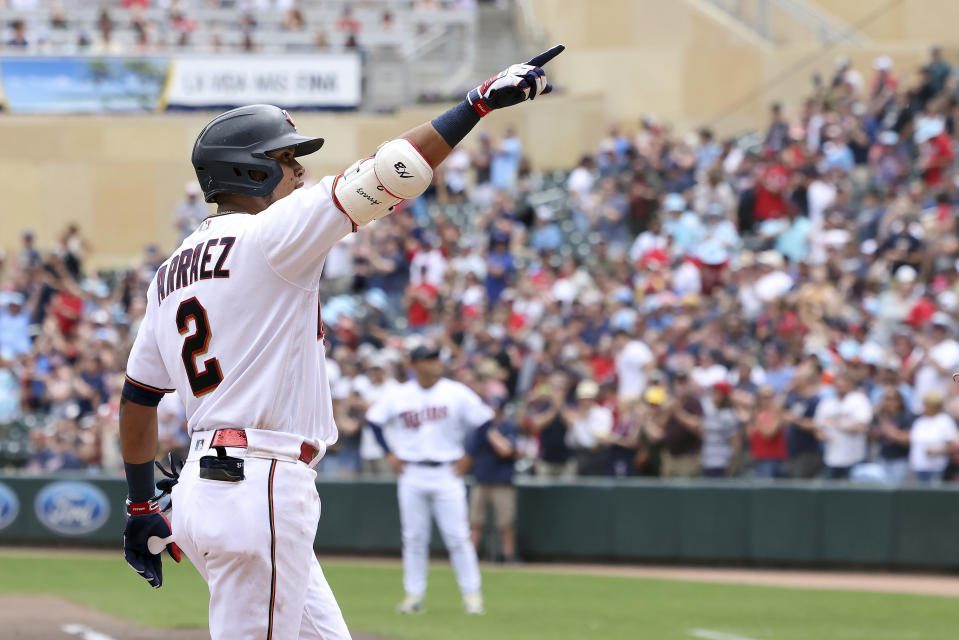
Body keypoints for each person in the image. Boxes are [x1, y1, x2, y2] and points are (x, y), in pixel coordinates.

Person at [118, 45, 564, 638]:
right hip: (261, 480)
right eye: (286, 158)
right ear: (251, 171)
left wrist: (142, 503)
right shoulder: (270, 236)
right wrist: (474, 106)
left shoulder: (168, 274)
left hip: (211, 486)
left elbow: (138, 398)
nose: (299, 171)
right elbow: (385, 174)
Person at [365, 343, 493, 615]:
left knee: (458, 536)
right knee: (413, 538)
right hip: (411, 472)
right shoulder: (399, 395)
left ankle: (472, 596)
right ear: (415, 364)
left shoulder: (455, 392)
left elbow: (484, 421)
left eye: (436, 358)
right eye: (429, 359)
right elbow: (374, 421)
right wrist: (390, 454)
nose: (435, 363)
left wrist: (469, 454)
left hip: (448, 471)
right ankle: (414, 595)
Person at [467, 398, 520, 563]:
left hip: (502, 482)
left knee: (505, 524)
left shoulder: (508, 426)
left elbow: (506, 451)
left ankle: (509, 555)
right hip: (482, 480)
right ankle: (469, 557)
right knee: (475, 522)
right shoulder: (479, 428)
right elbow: (470, 449)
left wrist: (491, 433)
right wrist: (486, 429)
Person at [814, 372, 872, 479]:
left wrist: (837, 424)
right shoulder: (827, 403)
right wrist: (822, 435)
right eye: (838, 383)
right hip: (831, 457)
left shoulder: (859, 400)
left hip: (853, 458)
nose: (841, 386)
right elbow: (817, 428)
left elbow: (863, 426)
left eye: (844, 382)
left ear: (851, 384)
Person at [908, 391, 959, 483]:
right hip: (918, 466)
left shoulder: (945, 421)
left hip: (937, 468)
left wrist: (937, 451)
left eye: (926, 404)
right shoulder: (919, 421)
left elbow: (953, 446)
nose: (923, 407)